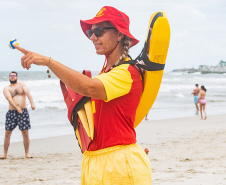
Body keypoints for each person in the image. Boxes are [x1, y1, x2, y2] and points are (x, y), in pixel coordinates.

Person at [15, 6, 152, 184]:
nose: (93, 37)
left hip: (119, 163)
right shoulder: (107, 74)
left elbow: (88, 87)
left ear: (119, 34)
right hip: (95, 161)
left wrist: (49, 62)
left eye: (98, 31)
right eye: (90, 32)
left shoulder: (128, 72)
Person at [0, 71, 35, 159]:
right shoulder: (6, 88)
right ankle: (4, 154)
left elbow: (28, 94)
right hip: (12, 112)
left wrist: (32, 103)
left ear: (17, 77)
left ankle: (27, 153)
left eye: (14, 75)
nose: (12, 77)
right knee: (8, 132)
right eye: (11, 76)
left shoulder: (22, 85)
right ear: (9, 78)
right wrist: (16, 107)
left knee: (25, 132)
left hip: (23, 112)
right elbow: (9, 99)